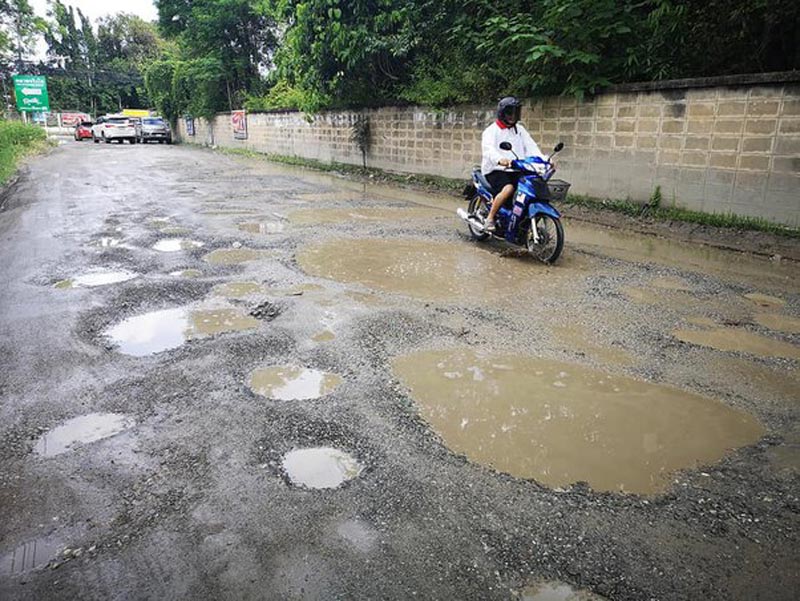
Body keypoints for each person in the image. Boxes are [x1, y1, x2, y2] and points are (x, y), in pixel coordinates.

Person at [481, 96, 546, 232]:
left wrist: (545, 160)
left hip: (516, 169)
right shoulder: (491, 131)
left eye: (515, 112)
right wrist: (500, 159)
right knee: (509, 188)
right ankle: (490, 218)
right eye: (509, 112)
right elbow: (489, 150)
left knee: (530, 187)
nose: (512, 116)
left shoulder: (520, 130)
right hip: (496, 169)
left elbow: (531, 147)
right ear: (502, 113)